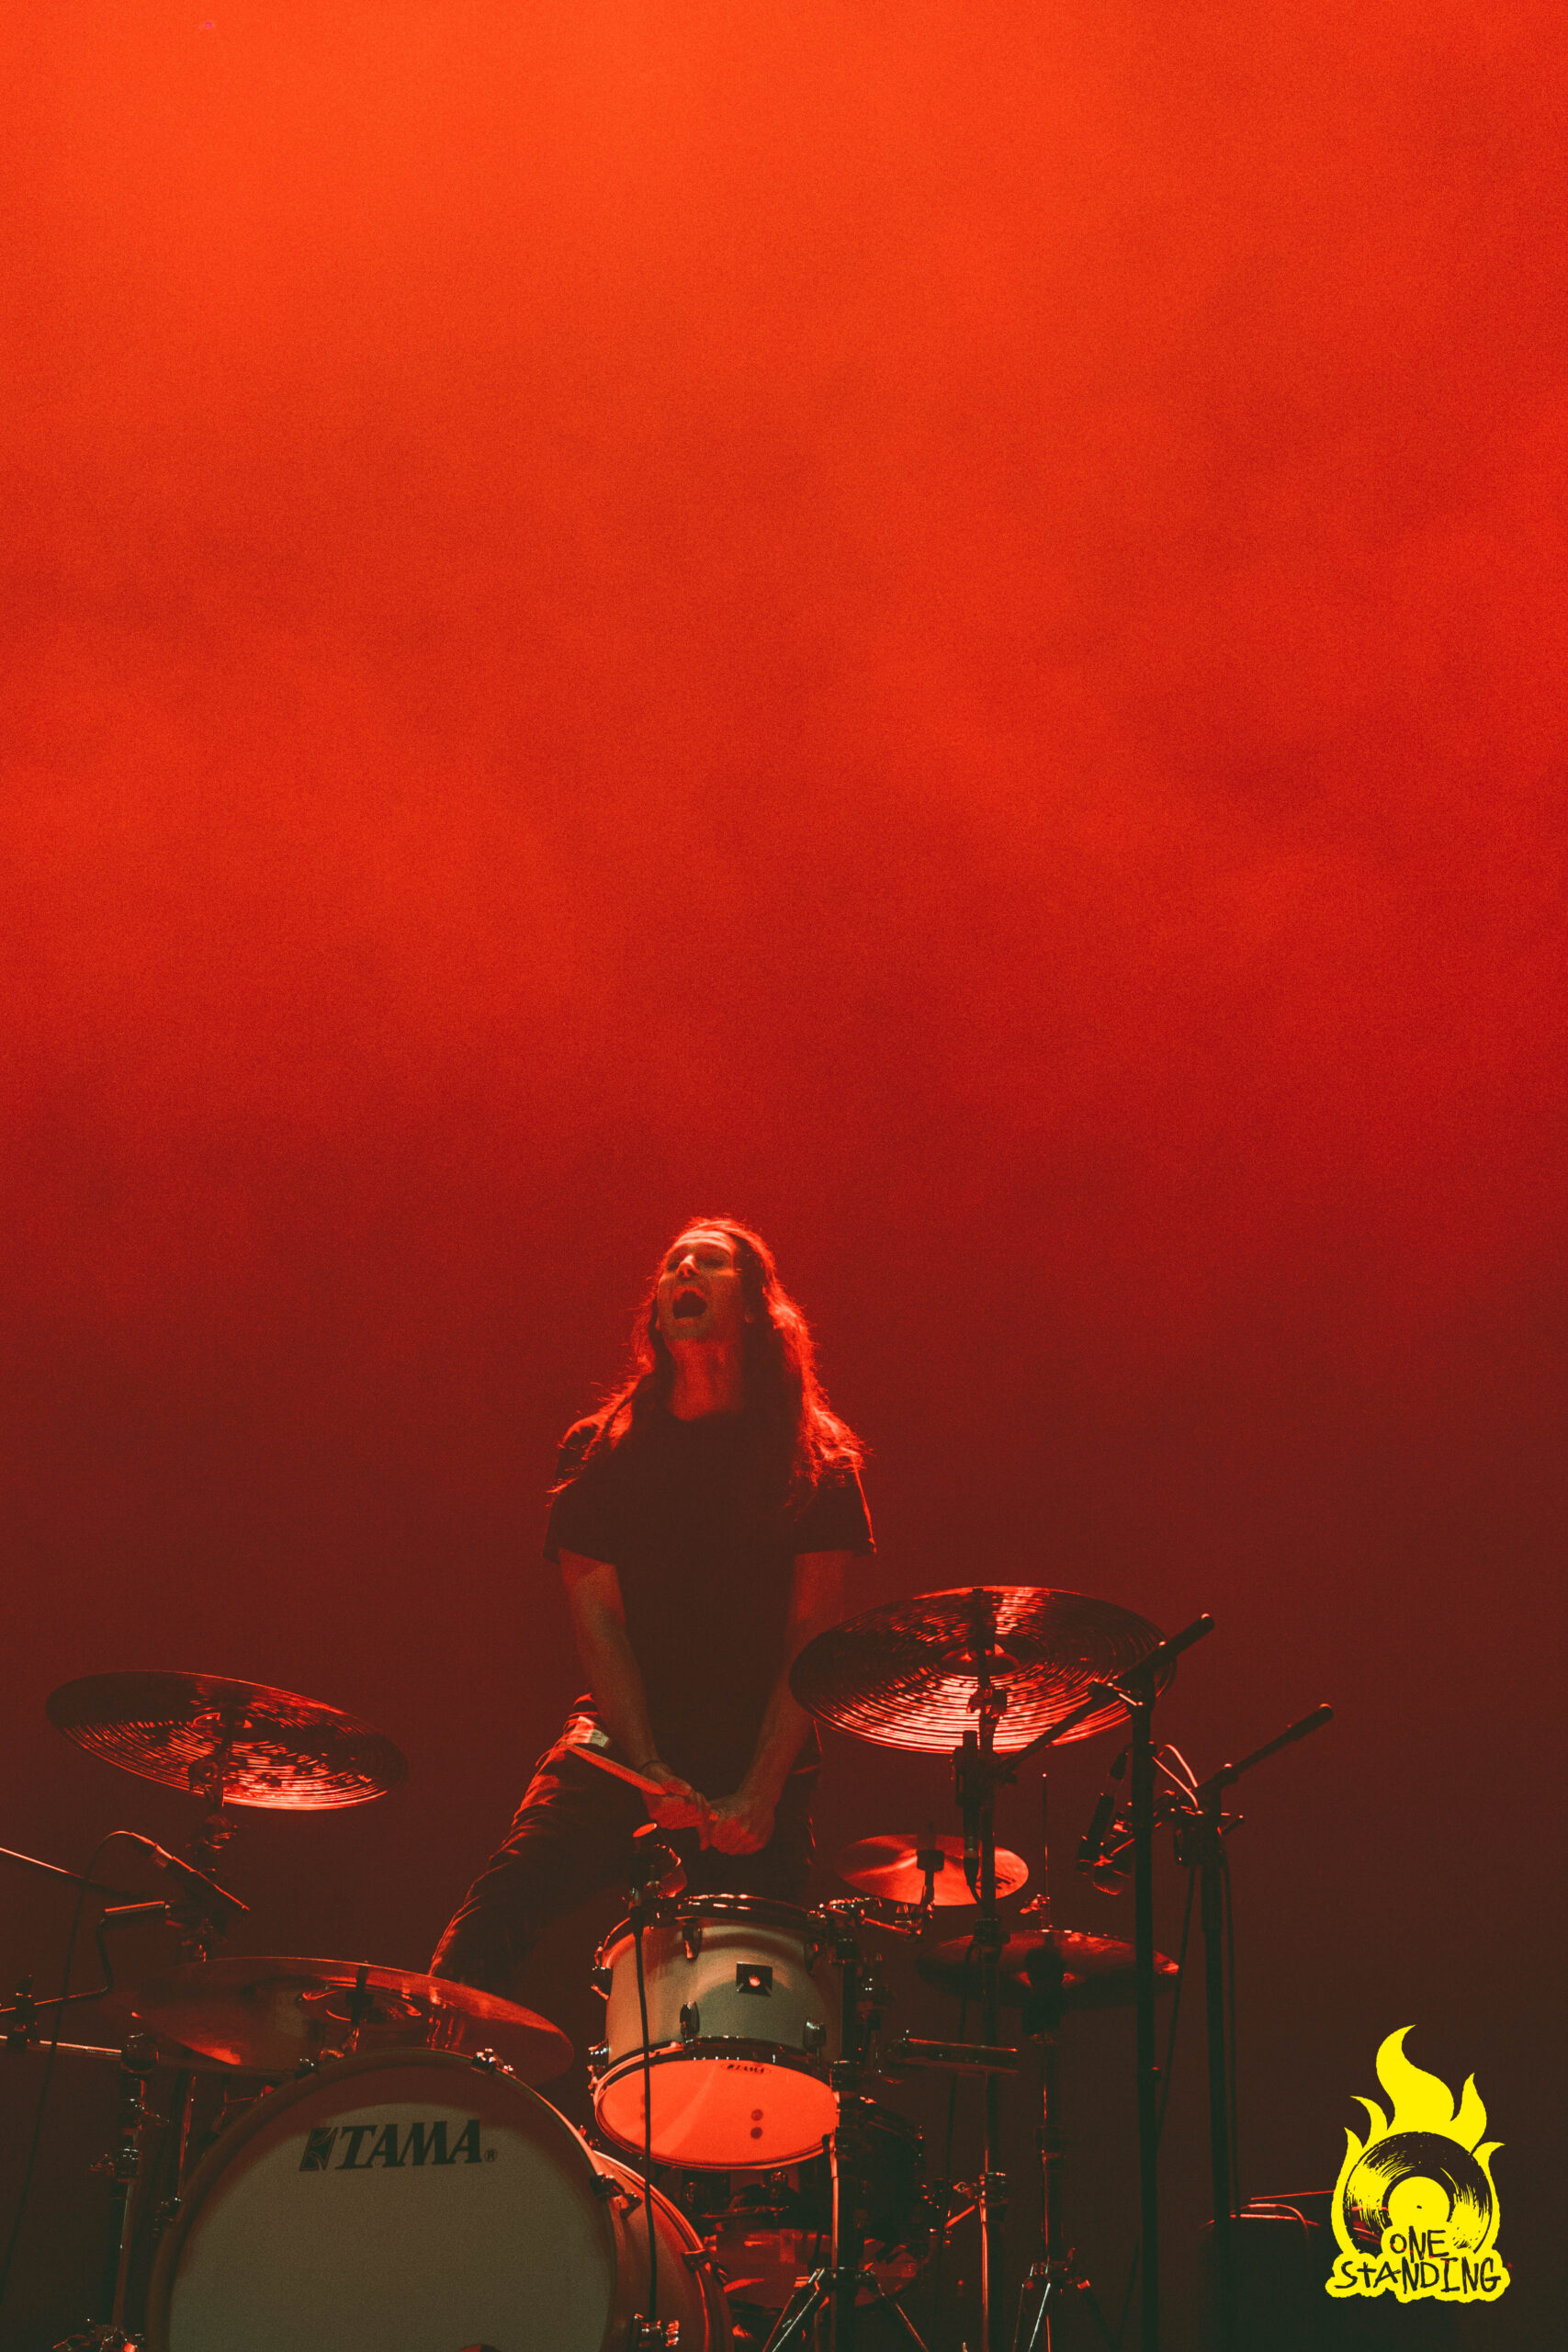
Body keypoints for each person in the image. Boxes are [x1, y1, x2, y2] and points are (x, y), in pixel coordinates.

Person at [430, 1216, 873, 1999]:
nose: (683, 1273)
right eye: (672, 1266)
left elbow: (812, 1634)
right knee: (490, 1923)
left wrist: (760, 1793)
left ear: (754, 1308)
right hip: (621, 1740)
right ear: (657, 1314)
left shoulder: (817, 1460)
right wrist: (646, 1766)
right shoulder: (601, 1447)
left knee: (742, 1992)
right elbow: (597, 1621)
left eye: (709, 1263)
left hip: (753, 1753)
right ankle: (430, 2062)